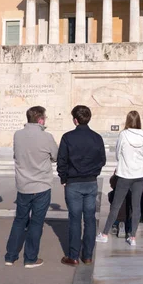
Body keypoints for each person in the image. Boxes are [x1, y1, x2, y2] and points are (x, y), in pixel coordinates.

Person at [5, 106, 58, 268]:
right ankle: (30, 258)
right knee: (36, 223)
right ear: (41, 119)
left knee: (19, 220)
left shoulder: (18, 135)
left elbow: (16, 155)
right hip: (41, 185)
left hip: (23, 185)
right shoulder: (47, 137)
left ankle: (10, 256)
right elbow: (55, 156)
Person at [58, 105, 106, 266]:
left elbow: (62, 160)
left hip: (73, 182)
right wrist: (94, 172)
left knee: (75, 219)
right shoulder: (97, 137)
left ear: (75, 120)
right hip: (90, 182)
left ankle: (73, 256)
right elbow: (102, 160)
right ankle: (87, 255)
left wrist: (63, 178)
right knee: (90, 219)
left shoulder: (67, 137)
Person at [97, 111, 143, 247]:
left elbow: (117, 153)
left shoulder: (123, 134)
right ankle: (132, 237)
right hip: (139, 174)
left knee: (116, 205)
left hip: (125, 173)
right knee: (136, 206)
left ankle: (104, 234)